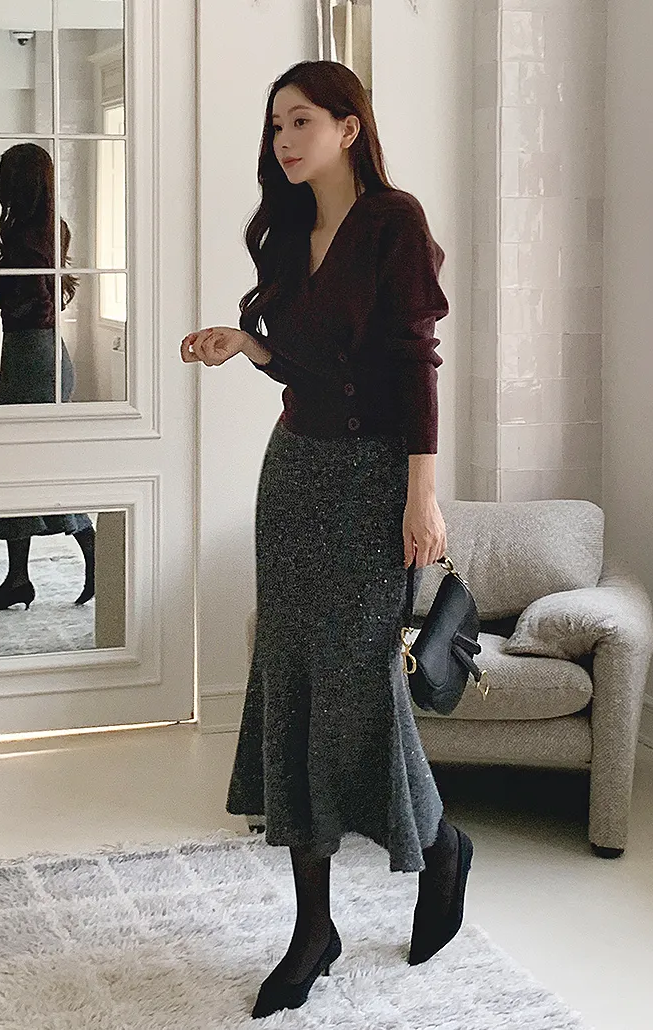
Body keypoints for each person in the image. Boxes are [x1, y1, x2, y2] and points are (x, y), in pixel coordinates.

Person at [181, 60, 473, 1018]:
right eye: (275, 126)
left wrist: (422, 498)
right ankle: (315, 926)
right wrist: (249, 345)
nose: (283, 141)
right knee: (293, 682)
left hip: (373, 483)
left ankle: (441, 848)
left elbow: (416, 365)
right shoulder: (284, 230)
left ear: (349, 127)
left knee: (360, 688)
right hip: (294, 476)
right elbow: (306, 363)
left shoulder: (394, 223)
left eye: (300, 121)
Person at [0, 143, 95, 611]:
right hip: (38, 352)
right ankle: (18, 578)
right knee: (23, 466)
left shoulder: (27, 235)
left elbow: (36, 304)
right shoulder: (47, 227)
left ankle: (88, 558)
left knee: (32, 466)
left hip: (32, 354)